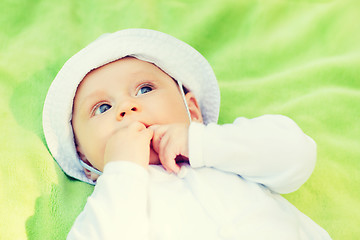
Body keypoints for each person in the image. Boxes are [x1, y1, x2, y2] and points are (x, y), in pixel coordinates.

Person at [43, 28, 331, 239]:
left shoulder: (223, 152)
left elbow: (296, 154)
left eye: (144, 89)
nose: (127, 107)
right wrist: (122, 171)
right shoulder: (112, 203)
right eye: (102, 107)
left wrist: (200, 141)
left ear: (191, 109)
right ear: (85, 162)